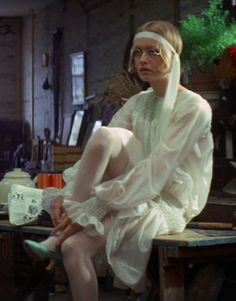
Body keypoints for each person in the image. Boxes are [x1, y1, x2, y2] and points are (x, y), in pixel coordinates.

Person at [23, 20, 213, 301]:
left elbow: (159, 166)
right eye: (137, 53)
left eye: (153, 52)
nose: (142, 60)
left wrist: (99, 203)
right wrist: (68, 194)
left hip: (165, 197)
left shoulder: (195, 107)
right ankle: (70, 216)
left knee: (74, 245)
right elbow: (100, 150)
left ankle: (62, 229)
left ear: (173, 55)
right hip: (128, 190)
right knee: (74, 247)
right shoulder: (139, 102)